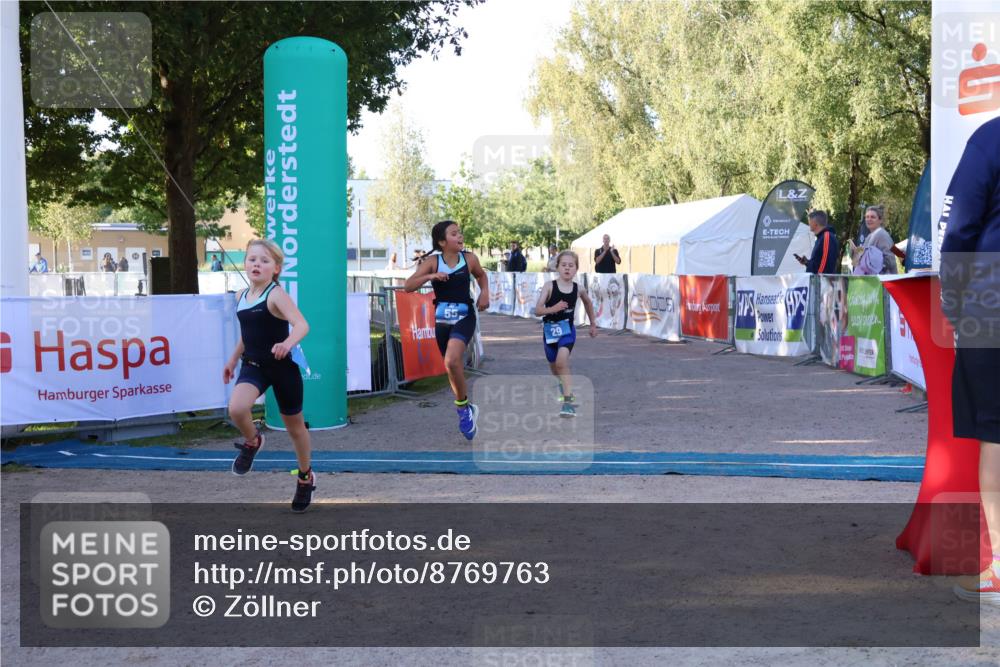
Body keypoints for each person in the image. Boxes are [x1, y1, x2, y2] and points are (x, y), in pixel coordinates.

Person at [939, 115, 1000, 605]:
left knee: (997, 437)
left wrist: (953, 302)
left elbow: (958, 228)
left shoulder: (989, 139)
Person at [223, 239, 315, 512]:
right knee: (237, 408)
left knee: (295, 429)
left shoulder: (276, 295)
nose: (257, 264)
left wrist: (287, 344)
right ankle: (253, 441)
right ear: (245, 263)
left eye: (264, 261)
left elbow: (302, 325)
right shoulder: (240, 296)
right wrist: (232, 360)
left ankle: (305, 477)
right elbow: (248, 334)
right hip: (253, 365)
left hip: (282, 367)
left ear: (276, 269)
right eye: (252, 259)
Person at [404, 220, 489, 440]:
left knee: (452, 359)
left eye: (460, 233)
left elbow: (481, 275)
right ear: (442, 242)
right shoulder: (433, 261)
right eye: (454, 234)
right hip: (442, 319)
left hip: (465, 315)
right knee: (451, 366)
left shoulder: (469, 259)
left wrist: (484, 292)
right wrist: (430, 276)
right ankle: (467, 406)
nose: (460, 236)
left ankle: (462, 410)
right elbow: (408, 286)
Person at [534, 250, 597, 417]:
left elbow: (588, 303)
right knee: (555, 368)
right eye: (564, 265)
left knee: (561, 362)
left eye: (571, 265)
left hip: (567, 332)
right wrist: (553, 308)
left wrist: (593, 324)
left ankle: (568, 404)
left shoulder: (578, 289)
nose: (567, 268)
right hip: (549, 333)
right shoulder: (549, 286)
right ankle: (565, 387)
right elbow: (537, 310)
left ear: (576, 269)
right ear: (557, 267)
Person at [849, 205, 898, 275]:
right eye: (867, 217)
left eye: (873, 217)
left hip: (883, 279)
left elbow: (890, 261)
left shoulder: (882, 235)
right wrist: (855, 253)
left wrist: (872, 263)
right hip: (872, 279)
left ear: (880, 220)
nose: (869, 219)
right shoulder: (869, 236)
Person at [795, 210, 840, 274]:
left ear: (815, 223)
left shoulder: (826, 236)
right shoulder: (821, 237)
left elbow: (825, 263)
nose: (808, 223)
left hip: (821, 279)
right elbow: (819, 263)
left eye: (810, 220)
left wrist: (817, 278)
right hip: (819, 278)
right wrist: (807, 262)